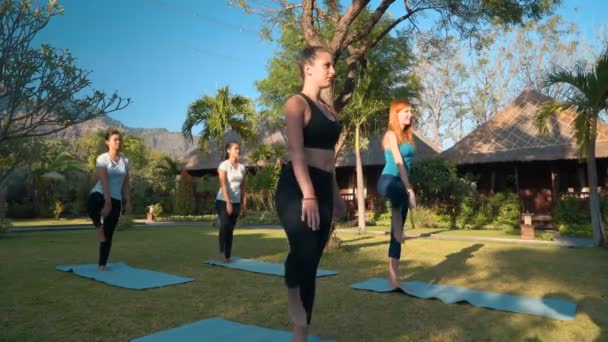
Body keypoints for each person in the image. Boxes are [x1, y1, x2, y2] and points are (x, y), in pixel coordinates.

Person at [275, 46, 346, 342]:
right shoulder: (296, 103)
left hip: (323, 186)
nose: (333, 71)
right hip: (297, 187)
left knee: (312, 261)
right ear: (308, 69)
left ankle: (300, 331)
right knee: (304, 252)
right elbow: (295, 151)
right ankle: (298, 321)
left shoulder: (330, 111)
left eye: (333, 66)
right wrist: (309, 195)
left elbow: (330, 158)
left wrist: (336, 194)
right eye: (327, 65)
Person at [377, 100, 417, 289]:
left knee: (396, 237)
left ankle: (394, 279)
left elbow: (408, 166)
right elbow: (399, 161)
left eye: (411, 111)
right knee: (399, 195)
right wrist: (410, 190)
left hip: (401, 184)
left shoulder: (408, 136)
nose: (410, 114)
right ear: (396, 114)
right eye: (406, 111)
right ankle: (397, 221)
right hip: (388, 179)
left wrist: (408, 189)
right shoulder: (391, 134)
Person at [87, 129, 131, 271]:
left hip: (116, 198)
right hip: (101, 193)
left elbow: (126, 183)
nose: (118, 142)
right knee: (92, 202)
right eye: (115, 140)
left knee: (109, 234)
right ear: (107, 142)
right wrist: (107, 202)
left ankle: (102, 264)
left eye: (119, 139)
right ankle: (98, 227)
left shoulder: (125, 160)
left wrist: (128, 201)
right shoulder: (102, 159)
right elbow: (104, 181)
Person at [216, 141, 246, 263]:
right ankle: (222, 253)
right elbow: (223, 185)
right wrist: (228, 202)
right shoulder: (224, 165)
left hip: (237, 202)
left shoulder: (242, 168)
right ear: (229, 151)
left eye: (238, 148)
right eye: (235, 148)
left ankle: (228, 255)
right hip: (223, 201)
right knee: (224, 227)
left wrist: (244, 203)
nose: (238, 151)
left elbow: (243, 187)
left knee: (230, 230)